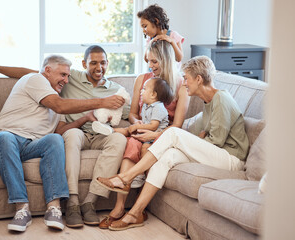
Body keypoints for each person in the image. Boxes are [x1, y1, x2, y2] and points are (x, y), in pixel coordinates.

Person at [0, 45, 128, 229]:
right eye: (63, 75)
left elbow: (60, 130)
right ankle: (22, 208)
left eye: (68, 76)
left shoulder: (56, 96)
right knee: (6, 138)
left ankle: (54, 207)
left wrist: (85, 118)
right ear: (47, 71)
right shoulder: (36, 80)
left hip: (29, 146)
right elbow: (58, 104)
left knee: (55, 140)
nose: (66, 80)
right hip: (1, 142)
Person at [96, 55, 250, 231]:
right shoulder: (208, 103)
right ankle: (135, 213)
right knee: (168, 157)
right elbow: (191, 133)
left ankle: (125, 177)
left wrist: (196, 139)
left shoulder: (221, 99)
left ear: (198, 79)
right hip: (216, 154)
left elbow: (216, 141)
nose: (184, 83)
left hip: (231, 159)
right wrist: (196, 138)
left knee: (173, 133)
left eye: (186, 78)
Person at [96, 40, 190, 229]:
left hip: (163, 135)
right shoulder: (142, 79)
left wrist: (153, 133)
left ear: (166, 60)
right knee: (132, 143)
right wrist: (136, 123)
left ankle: (128, 206)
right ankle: (119, 207)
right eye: (149, 61)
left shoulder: (182, 85)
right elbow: (132, 114)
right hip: (142, 130)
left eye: (155, 61)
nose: (151, 66)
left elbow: (177, 125)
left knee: (136, 143)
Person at [137, 4, 184, 69]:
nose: (143, 31)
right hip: (156, 75)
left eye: (145, 26)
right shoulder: (150, 39)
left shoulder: (173, 35)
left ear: (156, 21)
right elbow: (146, 59)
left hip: (171, 75)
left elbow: (179, 58)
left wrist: (172, 42)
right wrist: (150, 43)